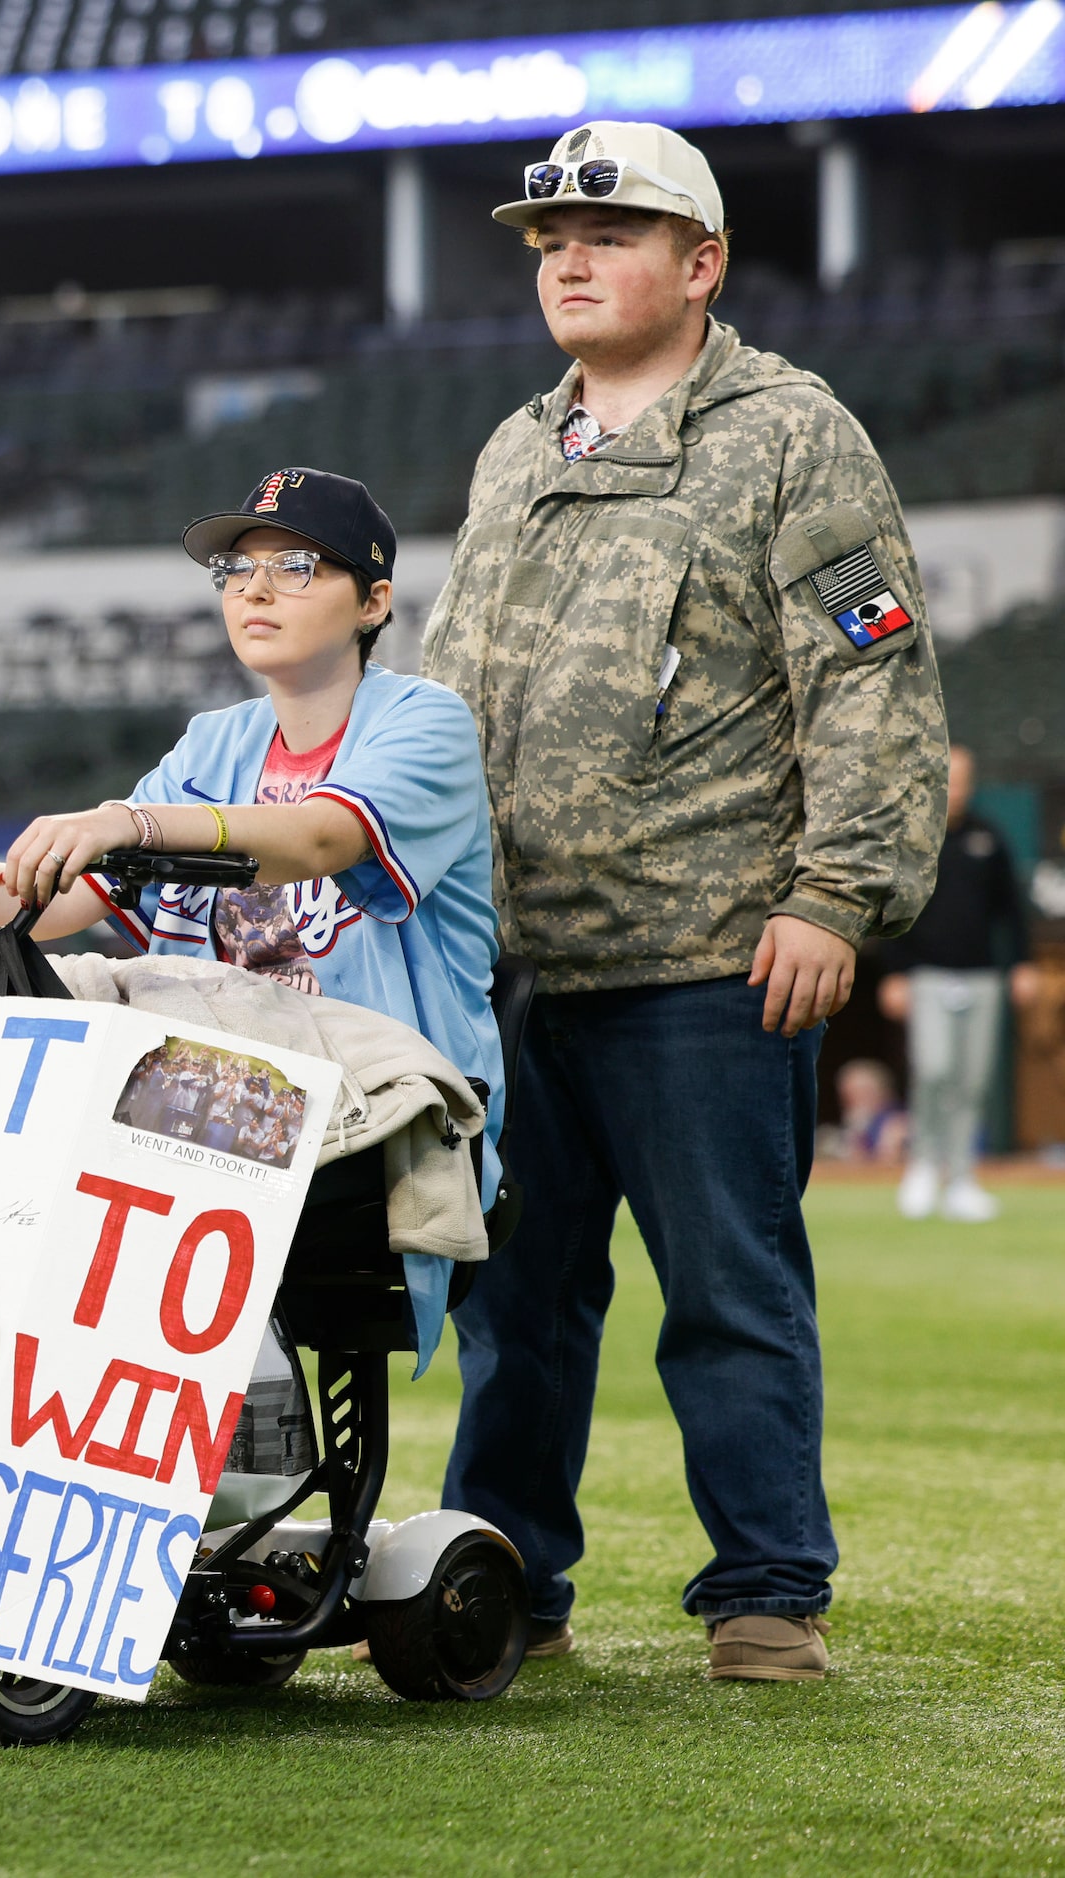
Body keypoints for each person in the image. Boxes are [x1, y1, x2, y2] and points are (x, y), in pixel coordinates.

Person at [419, 122, 949, 1683]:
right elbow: (449, 694)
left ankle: (768, 1593)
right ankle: (505, 1577)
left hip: (709, 959)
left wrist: (837, 895)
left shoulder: (795, 432)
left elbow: (870, 676)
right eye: (549, 239)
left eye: (613, 232)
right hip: (515, 959)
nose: (570, 258)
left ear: (700, 262)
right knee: (517, 1306)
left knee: (727, 1289)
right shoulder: (519, 445)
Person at [0, 464, 503, 1201]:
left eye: (296, 566)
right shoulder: (213, 743)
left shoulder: (425, 721)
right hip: (211, 1116)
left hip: (382, 1123)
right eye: (236, 569)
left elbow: (321, 838)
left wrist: (131, 824)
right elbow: (55, 902)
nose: (253, 590)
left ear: (373, 601)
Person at [876, 745, 1038, 1221]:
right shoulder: (912, 839)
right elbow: (893, 910)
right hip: (926, 976)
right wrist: (895, 974)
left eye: (964, 777)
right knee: (934, 1070)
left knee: (972, 1081)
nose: (957, 786)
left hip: (983, 979)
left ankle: (963, 1177)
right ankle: (924, 1167)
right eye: (950, 776)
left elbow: (1013, 911)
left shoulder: (990, 837)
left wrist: (1023, 965)